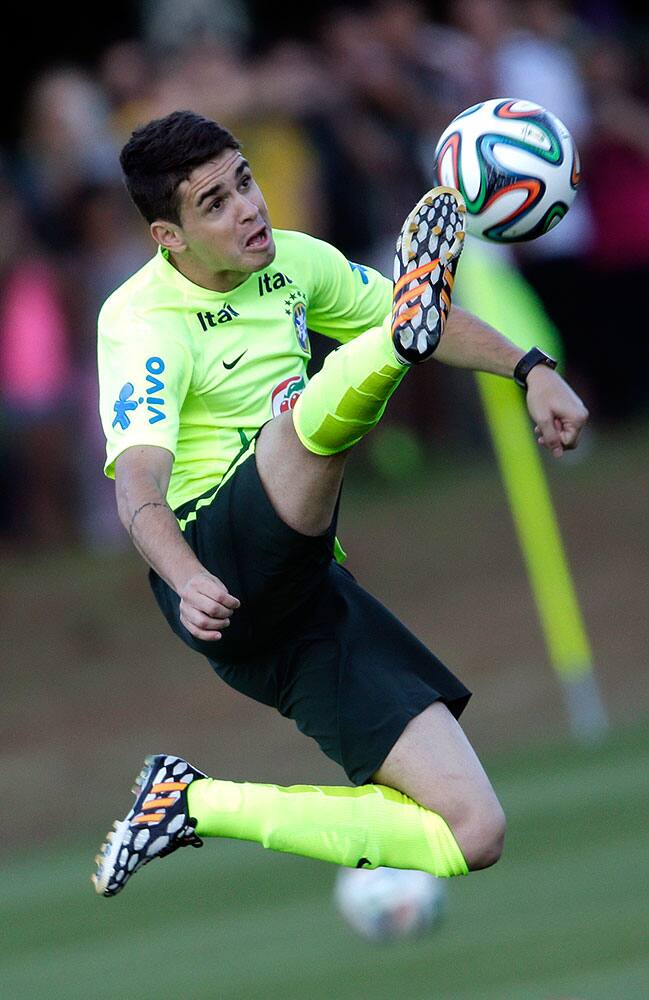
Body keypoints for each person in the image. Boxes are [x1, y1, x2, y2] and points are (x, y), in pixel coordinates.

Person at [92, 110, 588, 897]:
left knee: (473, 830)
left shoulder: (294, 261)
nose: (249, 208)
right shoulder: (139, 320)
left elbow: (430, 319)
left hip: (301, 591)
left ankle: (188, 802)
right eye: (214, 203)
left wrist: (530, 366)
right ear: (169, 237)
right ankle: (390, 351)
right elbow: (137, 488)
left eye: (246, 183)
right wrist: (185, 578)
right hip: (213, 558)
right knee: (299, 428)